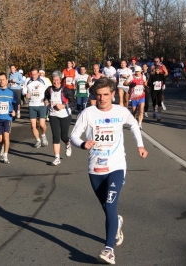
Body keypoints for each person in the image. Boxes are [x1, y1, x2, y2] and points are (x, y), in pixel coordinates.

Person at [70, 77, 148, 265]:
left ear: (113, 94)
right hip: (95, 168)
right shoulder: (88, 113)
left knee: (111, 205)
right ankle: (117, 224)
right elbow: (73, 135)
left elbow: (134, 126)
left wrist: (140, 145)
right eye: (99, 95)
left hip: (116, 166)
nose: (102, 98)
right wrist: (82, 144)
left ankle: (109, 250)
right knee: (106, 207)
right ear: (94, 96)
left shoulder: (121, 111)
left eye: (106, 94)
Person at [44, 70, 75, 166]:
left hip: (65, 115)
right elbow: (46, 97)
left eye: (57, 80)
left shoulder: (66, 90)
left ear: (60, 80)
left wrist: (63, 106)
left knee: (63, 137)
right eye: (54, 80)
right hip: (53, 115)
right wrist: (46, 101)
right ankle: (57, 158)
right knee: (56, 136)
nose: (55, 82)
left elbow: (73, 102)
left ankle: (68, 143)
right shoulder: (49, 89)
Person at [0, 73, 17, 164]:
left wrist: (15, 111)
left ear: (6, 80)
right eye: (0, 80)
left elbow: (15, 103)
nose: (1, 81)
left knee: (6, 136)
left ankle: (5, 156)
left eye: (3, 79)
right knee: (0, 139)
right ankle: (2, 146)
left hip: (7, 117)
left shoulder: (11, 92)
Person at [23, 67, 49, 148]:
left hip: (41, 104)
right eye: (32, 74)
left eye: (35, 74)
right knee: (33, 125)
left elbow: (50, 90)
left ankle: (43, 135)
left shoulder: (43, 80)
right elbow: (24, 90)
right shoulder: (27, 80)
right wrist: (25, 94)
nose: (33, 76)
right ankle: (38, 140)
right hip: (32, 105)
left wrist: (47, 99)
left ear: (38, 73)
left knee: (42, 124)